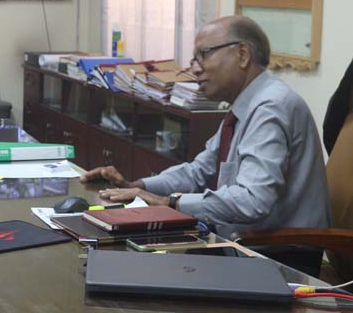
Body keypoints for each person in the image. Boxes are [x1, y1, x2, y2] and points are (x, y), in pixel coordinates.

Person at [81, 16, 331, 274]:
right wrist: (139, 186)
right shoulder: (246, 106)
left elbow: (252, 201)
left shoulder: (271, 107)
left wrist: (170, 202)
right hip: (242, 243)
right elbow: (199, 171)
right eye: (194, 59)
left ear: (242, 54)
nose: (195, 69)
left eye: (204, 55)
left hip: (278, 256)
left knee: (140, 272)